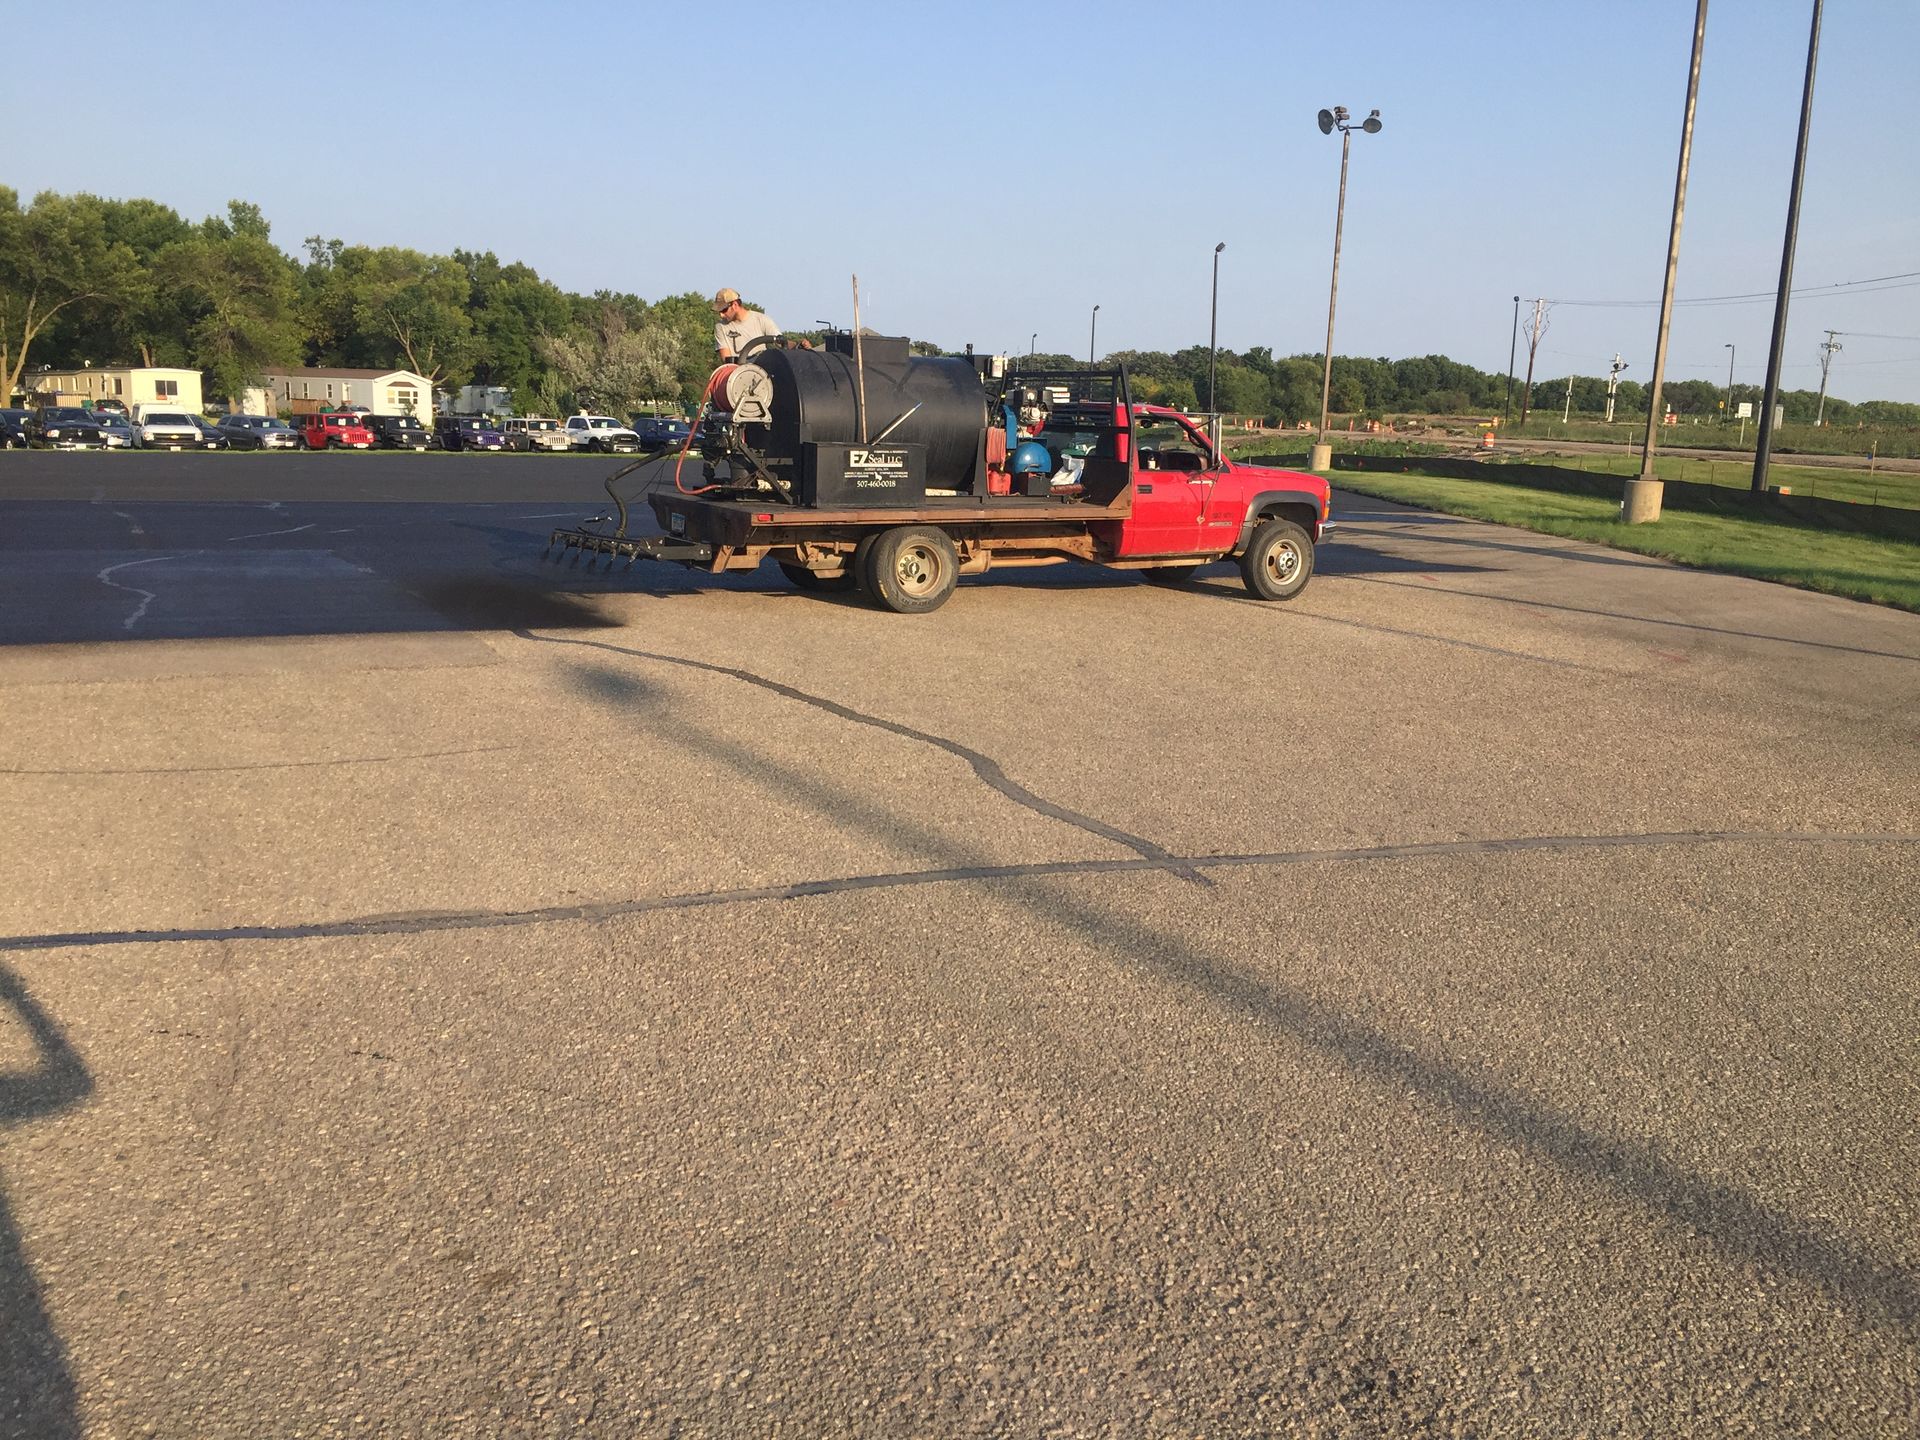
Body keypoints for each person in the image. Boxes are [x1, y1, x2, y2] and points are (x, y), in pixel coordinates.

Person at [712, 288, 784, 361]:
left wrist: (795, 346)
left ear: (735, 305)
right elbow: (726, 360)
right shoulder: (720, 327)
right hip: (739, 370)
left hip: (761, 369)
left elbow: (781, 342)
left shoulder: (761, 319)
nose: (721, 315)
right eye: (719, 311)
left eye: (724, 310)